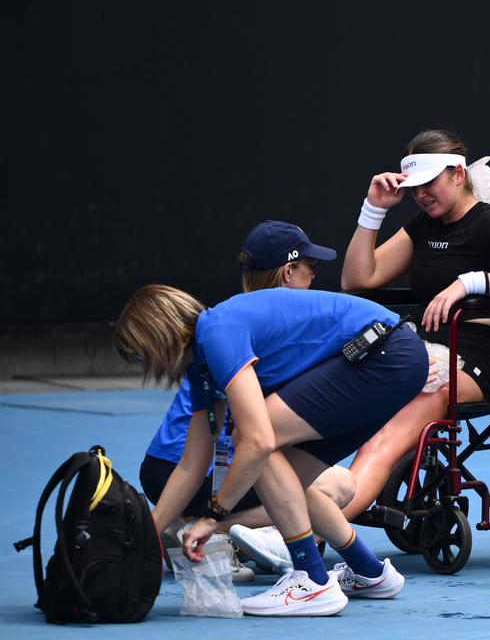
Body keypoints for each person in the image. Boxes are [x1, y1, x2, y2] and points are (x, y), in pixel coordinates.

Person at [114, 282, 429, 616]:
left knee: (253, 444)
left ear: (158, 336)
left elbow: (258, 441)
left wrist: (212, 517)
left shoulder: (216, 334)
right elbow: (192, 464)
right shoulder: (203, 367)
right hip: (389, 357)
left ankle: (311, 579)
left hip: (382, 354)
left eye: (140, 355)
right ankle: (369, 571)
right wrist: (147, 535)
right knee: (283, 482)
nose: (149, 368)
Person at [338, 128, 490, 522]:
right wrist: (373, 209)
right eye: (414, 187)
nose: (421, 194)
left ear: (458, 174)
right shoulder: (421, 227)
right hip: (418, 353)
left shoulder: (489, 222)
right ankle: (277, 520)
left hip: (473, 360)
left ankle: (308, 538)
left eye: (429, 183)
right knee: (324, 403)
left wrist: (469, 282)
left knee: (381, 440)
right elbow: (358, 278)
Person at [139, 222, 357, 581]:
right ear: (289, 272)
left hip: (165, 467)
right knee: (339, 485)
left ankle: (193, 526)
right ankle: (216, 533)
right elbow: (261, 439)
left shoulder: (232, 318)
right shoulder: (272, 334)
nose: (314, 278)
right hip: (199, 471)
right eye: (311, 268)